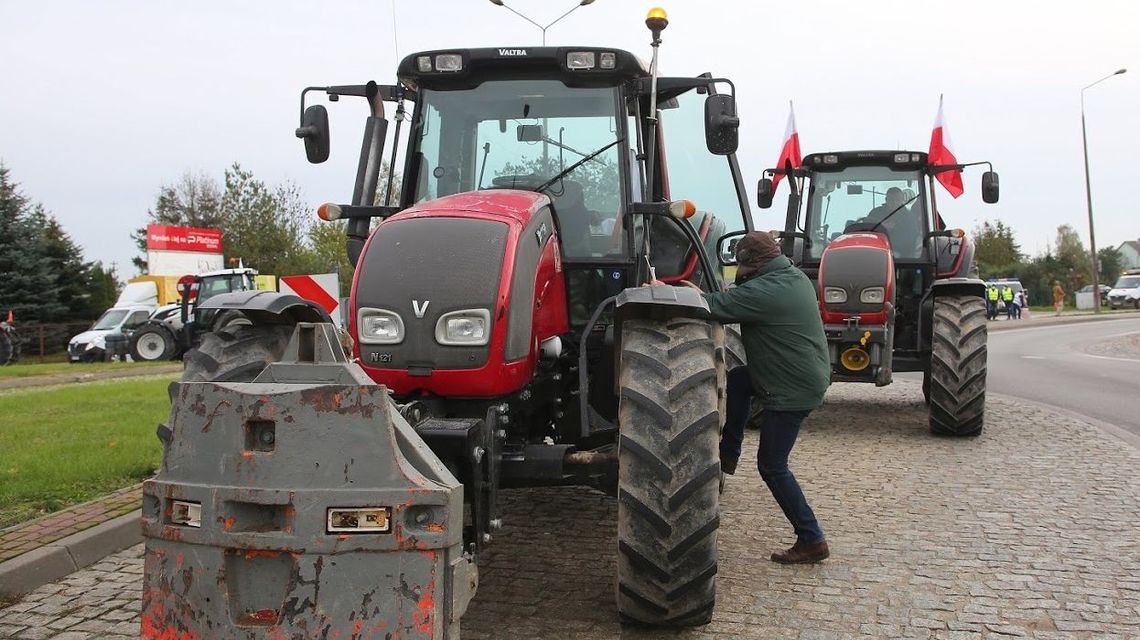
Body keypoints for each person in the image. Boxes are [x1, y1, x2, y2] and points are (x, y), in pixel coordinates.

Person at [682, 231, 832, 564]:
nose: (739, 271)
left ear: (752, 265)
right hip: (802, 373)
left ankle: (811, 538)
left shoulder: (766, 290)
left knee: (772, 465)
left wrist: (694, 295)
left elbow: (711, 307)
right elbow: (738, 297)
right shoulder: (791, 278)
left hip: (792, 387)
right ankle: (730, 451)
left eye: (741, 266)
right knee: (738, 379)